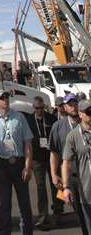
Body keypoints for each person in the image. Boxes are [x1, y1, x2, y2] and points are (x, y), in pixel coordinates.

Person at [0, 89, 34, 235]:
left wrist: (27, 167)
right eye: (2, 98)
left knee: (24, 203)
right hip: (2, 165)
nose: (5, 100)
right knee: (4, 204)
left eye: (6, 97)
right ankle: (5, 232)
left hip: (19, 163)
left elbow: (28, 144)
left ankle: (26, 231)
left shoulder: (19, 117)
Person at [49, 93, 87, 232]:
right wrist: (54, 174)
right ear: (64, 107)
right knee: (79, 212)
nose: (73, 107)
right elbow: (53, 153)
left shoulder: (86, 123)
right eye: (70, 105)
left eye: (75, 104)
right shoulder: (58, 127)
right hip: (70, 177)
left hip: (86, 173)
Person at [26, 95, 61, 230]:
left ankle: (59, 210)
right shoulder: (29, 120)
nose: (39, 110)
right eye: (37, 108)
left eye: (41, 108)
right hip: (37, 159)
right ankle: (43, 215)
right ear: (33, 108)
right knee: (41, 187)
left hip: (52, 156)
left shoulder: (51, 119)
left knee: (57, 184)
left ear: (44, 108)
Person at [62, 98, 91, 234]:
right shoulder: (73, 136)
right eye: (88, 112)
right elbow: (66, 163)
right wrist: (66, 187)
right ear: (80, 114)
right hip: (87, 192)